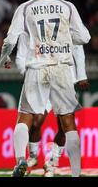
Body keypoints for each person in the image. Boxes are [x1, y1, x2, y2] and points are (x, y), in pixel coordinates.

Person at [0, 0, 91, 177]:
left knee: (25, 118)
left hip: (37, 68)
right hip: (62, 68)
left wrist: (5, 57)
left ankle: (21, 161)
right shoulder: (67, 6)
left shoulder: (25, 7)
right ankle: (75, 172)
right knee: (68, 122)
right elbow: (85, 38)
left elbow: (11, 39)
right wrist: (65, 41)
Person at [16, 35, 90, 177]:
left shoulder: (67, 23)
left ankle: (52, 161)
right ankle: (33, 156)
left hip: (65, 80)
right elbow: (26, 49)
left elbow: (78, 47)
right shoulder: (38, 21)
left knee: (65, 126)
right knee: (36, 122)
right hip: (43, 79)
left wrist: (81, 75)